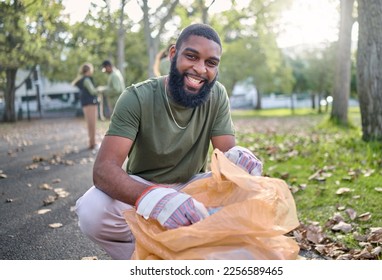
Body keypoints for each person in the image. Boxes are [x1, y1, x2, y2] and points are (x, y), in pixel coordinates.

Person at [75, 23, 262, 260]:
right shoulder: (136, 97)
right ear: (173, 54)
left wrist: (240, 159)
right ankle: (145, 257)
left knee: (250, 191)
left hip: (193, 189)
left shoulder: (217, 95)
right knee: (92, 209)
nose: (200, 69)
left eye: (211, 63)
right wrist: (155, 198)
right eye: (191, 56)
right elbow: (104, 170)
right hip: (142, 188)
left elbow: (226, 157)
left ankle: (183, 253)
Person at [72, 63, 99, 150]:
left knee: (89, 123)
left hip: (85, 104)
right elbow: (93, 91)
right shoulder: (87, 80)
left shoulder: (81, 80)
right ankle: (93, 143)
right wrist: (100, 89)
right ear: (89, 70)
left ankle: (91, 143)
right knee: (93, 124)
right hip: (91, 103)